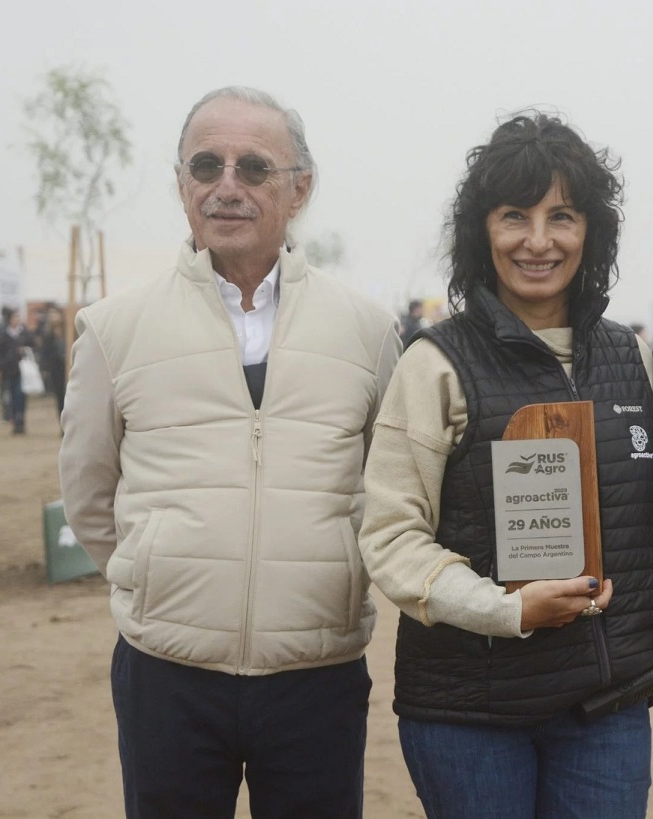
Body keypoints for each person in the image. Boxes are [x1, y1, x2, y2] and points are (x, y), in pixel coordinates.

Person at [58, 86, 401, 818]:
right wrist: (159, 573)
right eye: (206, 165)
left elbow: (389, 488)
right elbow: (89, 492)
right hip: (167, 675)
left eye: (254, 168)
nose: (227, 187)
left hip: (318, 673)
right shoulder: (114, 329)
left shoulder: (368, 333)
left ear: (299, 188)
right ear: (181, 183)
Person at [359, 113, 653, 819]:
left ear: (591, 231)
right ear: (481, 231)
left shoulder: (631, 357)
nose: (538, 240)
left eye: (561, 215)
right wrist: (507, 610)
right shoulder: (434, 362)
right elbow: (390, 536)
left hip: (606, 708)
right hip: (471, 713)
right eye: (513, 217)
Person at [0, 309, 35, 434]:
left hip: (23, 370)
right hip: (9, 370)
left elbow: (33, 346)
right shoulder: (3, 335)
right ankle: (14, 418)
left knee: (21, 395)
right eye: (14, 317)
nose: (17, 320)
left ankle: (20, 419)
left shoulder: (25, 334)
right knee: (11, 395)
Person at [38, 305, 68, 420]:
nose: (53, 317)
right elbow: (45, 353)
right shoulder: (48, 335)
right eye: (50, 315)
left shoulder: (69, 330)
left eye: (55, 314)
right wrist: (43, 368)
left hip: (70, 367)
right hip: (56, 369)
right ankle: (63, 422)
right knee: (60, 396)